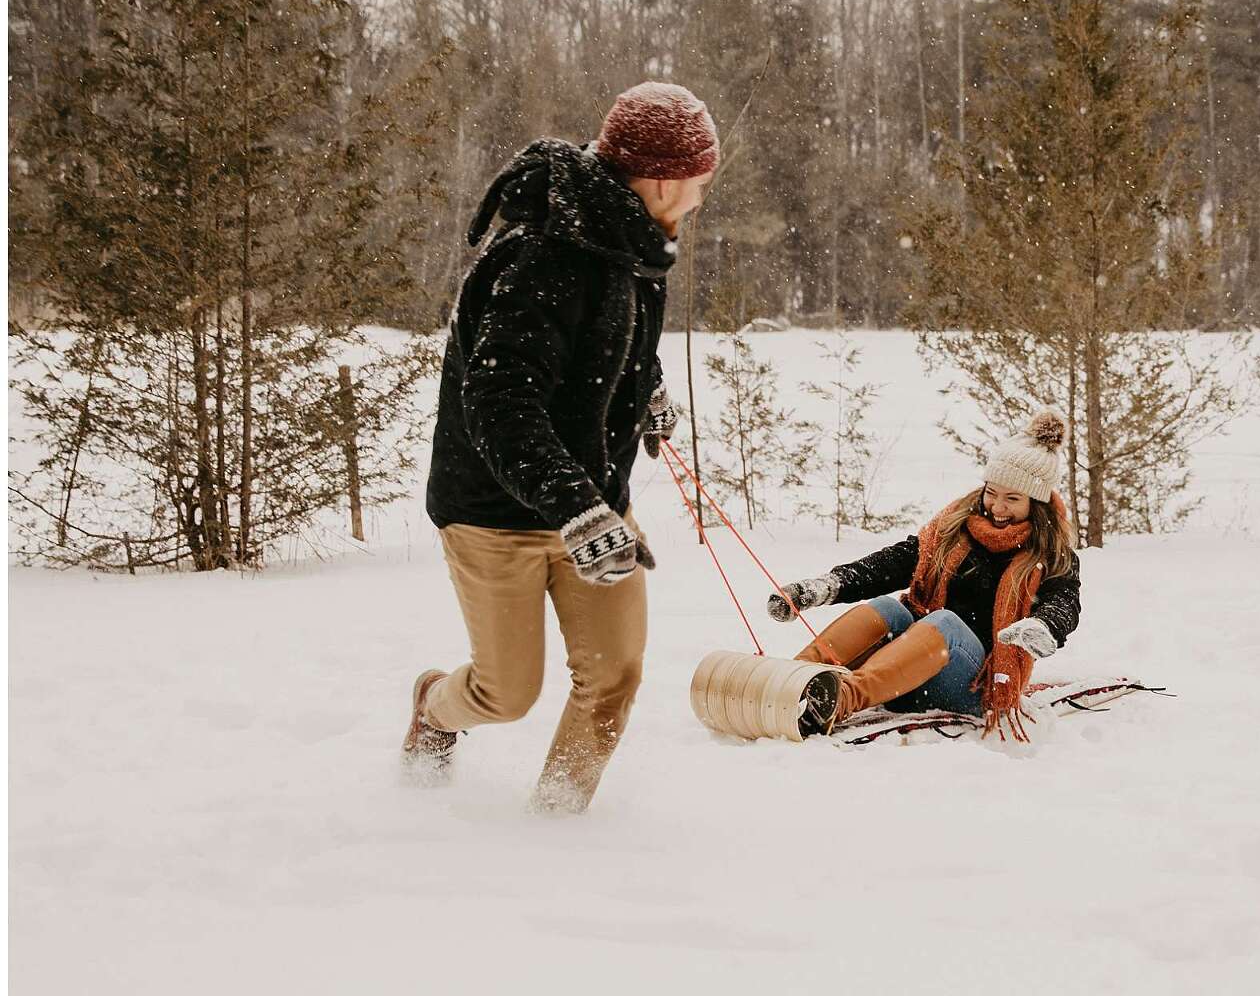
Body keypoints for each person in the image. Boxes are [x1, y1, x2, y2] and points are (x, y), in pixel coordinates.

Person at [402, 82, 718, 811]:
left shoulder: (631, 240)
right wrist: (575, 507)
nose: (700, 199)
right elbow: (501, 403)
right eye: (699, 183)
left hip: (593, 509)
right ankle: (432, 711)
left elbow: (610, 341)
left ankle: (556, 826)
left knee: (615, 675)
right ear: (665, 179)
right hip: (495, 513)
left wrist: (645, 394)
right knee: (505, 693)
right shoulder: (543, 254)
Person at [769, 411, 1081, 739]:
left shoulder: (1051, 554)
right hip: (907, 665)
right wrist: (829, 585)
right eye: (992, 492)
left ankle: (838, 701)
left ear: (1037, 502)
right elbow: (894, 563)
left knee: (944, 623)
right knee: (889, 609)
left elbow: (1065, 601)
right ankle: (790, 679)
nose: (997, 506)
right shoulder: (954, 529)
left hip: (971, 686)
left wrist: (1045, 626)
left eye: (1013, 499)